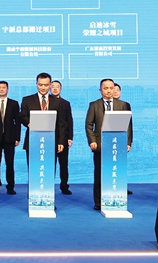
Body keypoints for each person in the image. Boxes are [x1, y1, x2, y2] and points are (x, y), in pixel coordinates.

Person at [84, 78, 132, 210]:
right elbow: (89, 125)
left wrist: (128, 142)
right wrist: (92, 141)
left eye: (111, 88)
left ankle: (117, 199)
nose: (109, 91)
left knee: (117, 172)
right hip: (100, 145)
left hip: (118, 144)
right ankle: (98, 201)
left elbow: (128, 125)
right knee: (99, 174)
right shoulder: (94, 105)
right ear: (100, 90)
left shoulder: (123, 105)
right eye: (105, 88)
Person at [20, 72, 66, 190]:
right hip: (33, 139)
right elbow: (22, 116)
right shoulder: (27, 100)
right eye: (41, 85)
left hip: (52, 141)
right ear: (36, 84)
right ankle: (33, 194)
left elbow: (61, 123)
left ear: (50, 85)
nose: (43, 87)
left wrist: (61, 142)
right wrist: (29, 123)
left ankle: (48, 195)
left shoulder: (57, 102)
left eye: (46, 85)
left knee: (50, 169)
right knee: (34, 169)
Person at [0, 80, 20, 195]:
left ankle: (10, 187)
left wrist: (17, 138)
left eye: (4, 87)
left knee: (10, 164)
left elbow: (17, 122)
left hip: (10, 138)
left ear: (7, 89)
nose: (2, 89)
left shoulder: (14, 103)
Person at [50, 80, 74, 195]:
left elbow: (69, 121)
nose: (55, 89)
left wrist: (70, 137)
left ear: (61, 89)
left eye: (57, 87)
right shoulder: (45, 103)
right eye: (53, 87)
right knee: (50, 164)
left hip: (63, 138)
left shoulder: (65, 103)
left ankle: (64, 186)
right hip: (49, 138)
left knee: (64, 165)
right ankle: (48, 186)